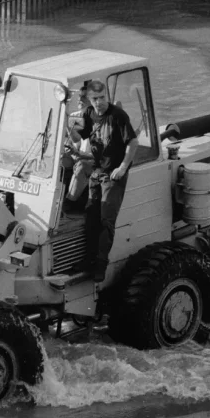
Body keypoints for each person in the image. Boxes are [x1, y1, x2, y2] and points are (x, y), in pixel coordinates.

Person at [70, 79, 138, 282]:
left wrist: (122, 167)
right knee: (91, 218)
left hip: (113, 175)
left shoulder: (117, 116)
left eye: (101, 98)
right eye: (94, 99)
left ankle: (101, 265)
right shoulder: (88, 114)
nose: (98, 102)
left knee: (106, 220)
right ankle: (88, 260)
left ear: (106, 97)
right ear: (89, 99)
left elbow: (132, 142)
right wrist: (69, 127)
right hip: (97, 172)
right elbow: (76, 138)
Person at [62, 81, 94, 215]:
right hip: (81, 154)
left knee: (82, 166)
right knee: (61, 159)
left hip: (95, 162)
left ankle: (69, 204)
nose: (80, 99)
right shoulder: (77, 117)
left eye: (84, 97)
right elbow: (77, 139)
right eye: (80, 96)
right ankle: (57, 196)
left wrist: (77, 153)